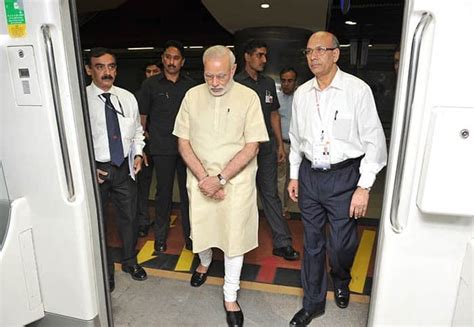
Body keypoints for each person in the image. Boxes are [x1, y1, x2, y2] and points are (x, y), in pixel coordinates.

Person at [288, 31, 387, 326]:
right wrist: (294, 176)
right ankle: (313, 303)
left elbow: (375, 143)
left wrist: (364, 186)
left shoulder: (357, 91)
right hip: (310, 175)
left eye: (320, 50)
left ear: (335, 54)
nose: (313, 56)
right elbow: (295, 138)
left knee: (342, 245)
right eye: (309, 51)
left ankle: (341, 276)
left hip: (345, 177)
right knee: (313, 242)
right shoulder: (302, 94)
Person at [173, 45, 268, 327]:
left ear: (234, 70)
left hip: (235, 183)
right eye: (209, 76)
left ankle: (230, 295)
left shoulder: (248, 97)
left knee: (233, 236)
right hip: (200, 178)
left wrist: (221, 179)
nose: (214, 83)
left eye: (221, 76)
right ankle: (204, 262)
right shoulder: (192, 96)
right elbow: (183, 141)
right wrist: (205, 179)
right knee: (201, 226)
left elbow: (252, 146)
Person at [85, 47, 148, 292]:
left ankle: (130, 262)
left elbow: (137, 132)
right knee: (98, 222)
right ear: (89, 69)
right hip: (96, 171)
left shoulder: (127, 97)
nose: (107, 72)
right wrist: (89, 166)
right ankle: (105, 270)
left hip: (123, 169)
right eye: (100, 67)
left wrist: (139, 154)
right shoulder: (80, 100)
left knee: (129, 218)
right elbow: (74, 139)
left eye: (111, 66)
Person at [235, 39, 299, 261]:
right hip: (242, 151)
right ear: (247, 57)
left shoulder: (269, 84)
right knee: (242, 195)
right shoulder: (235, 84)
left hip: (267, 148)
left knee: (270, 194)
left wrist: (280, 145)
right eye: (259, 55)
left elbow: (273, 114)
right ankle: (237, 243)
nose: (264, 59)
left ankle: (283, 242)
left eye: (265, 55)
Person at [138, 40, 196, 252]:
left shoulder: (191, 86)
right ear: (163, 59)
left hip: (188, 149)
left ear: (182, 61)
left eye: (176, 58)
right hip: (161, 148)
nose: (172, 62)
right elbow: (142, 117)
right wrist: (141, 146)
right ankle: (160, 238)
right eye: (168, 57)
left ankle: (192, 238)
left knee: (189, 193)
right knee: (163, 194)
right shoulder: (150, 85)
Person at [136, 60, 162, 237]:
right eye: (148, 71)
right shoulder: (138, 95)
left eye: (155, 71)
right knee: (142, 186)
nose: (151, 74)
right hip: (144, 147)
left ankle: (162, 220)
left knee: (163, 187)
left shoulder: (165, 91)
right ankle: (143, 221)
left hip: (163, 146)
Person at [276, 67, 297, 219]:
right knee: (281, 180)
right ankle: (282, 209)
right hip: (282, 144)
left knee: (297, 178)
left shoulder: (301, 98)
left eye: (290, 81)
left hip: (299, 147)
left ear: (295, 82)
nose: (286, 84)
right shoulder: (276, 100)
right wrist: (279, 146)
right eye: (283, 80)